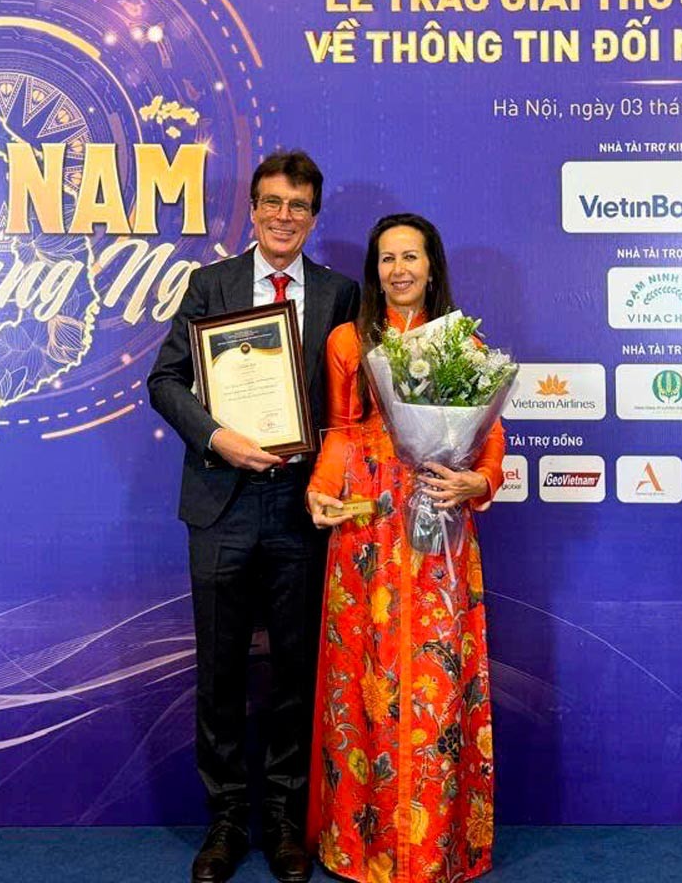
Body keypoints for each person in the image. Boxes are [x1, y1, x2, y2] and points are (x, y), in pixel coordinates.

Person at [149, 150, 361, 883]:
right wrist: (218, 437)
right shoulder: (210, 285)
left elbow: (351, 409)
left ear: (314, 215)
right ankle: (227, 821)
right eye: (271, 202)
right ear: (252, 207)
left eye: (298, 206)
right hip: (221, 503)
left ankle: (283, 820)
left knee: (298, 673)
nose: (283, 217)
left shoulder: (340, 294)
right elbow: (165, 379)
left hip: (304, 509)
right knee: (221, 672)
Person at [304, 214, 504, 883]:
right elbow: (339, 431)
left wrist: (478, 480)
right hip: (365, 527)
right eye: (387, 258)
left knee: (436, 680)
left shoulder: (463, 342)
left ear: (431, 265)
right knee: (366, 678)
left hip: (437, 521)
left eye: (410, 257)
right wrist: (321, 491)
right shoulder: (346, 340)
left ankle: (437, 845)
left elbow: (490, 439)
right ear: (374, 268)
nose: (399, 270)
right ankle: (365, 845)